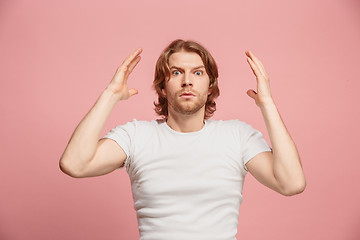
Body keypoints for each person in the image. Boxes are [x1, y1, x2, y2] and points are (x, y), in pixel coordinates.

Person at [59, 39, 306, 240]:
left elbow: (291, 183)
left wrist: (267, 105)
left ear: (210, 85)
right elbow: (74, 164)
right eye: (176, 72)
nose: (187, 80)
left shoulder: (237, 135)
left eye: (197, 72)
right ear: (163, 87)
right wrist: (111, 94)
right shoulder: (136, 135)